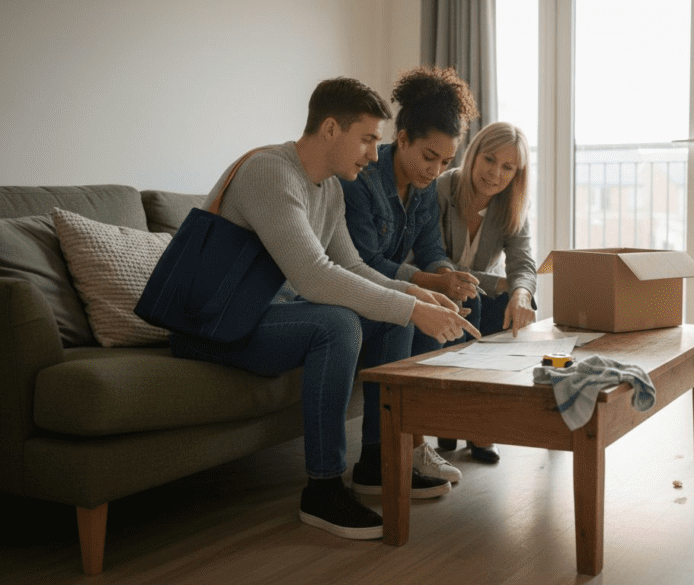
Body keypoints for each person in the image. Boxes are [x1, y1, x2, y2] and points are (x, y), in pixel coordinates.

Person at [168, 77, 480, 542]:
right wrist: (410, 306)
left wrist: (415, 297)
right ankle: (322, 488)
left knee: (389, 315)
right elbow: (315, 275)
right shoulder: (269, 172)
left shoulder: (329, 188)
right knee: (337, 324)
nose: (376, 154)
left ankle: (376, 460)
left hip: (263, 316)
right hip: (210, 324)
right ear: (331, 129)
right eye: (369, 139)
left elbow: (349, 265)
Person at [341, 66, 480, 483]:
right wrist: (430, 284)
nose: (435, 170)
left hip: (390, 287)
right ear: (401, 139)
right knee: (404, 314)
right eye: (428, 156)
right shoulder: (360, 180)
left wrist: (447, 276)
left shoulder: (422, 188)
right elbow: (363, 263)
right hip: (354, 288)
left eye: (446, 161)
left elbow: (433, 249)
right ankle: (379, 457)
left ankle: (415, 445)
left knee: (439, 308)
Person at [430, 121, 538, 463]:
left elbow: (523, 263)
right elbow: (433, 259)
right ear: (474, 153)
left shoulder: (512, 204)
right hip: (439, 287)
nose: (496, 174)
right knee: (475, 299)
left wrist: (520, 292)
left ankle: (482, 423)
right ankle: (451, 418)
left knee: (521, 303)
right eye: (490, 160)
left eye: (508, 167)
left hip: (477, 292)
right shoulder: (441, 189)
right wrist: (496, 283)